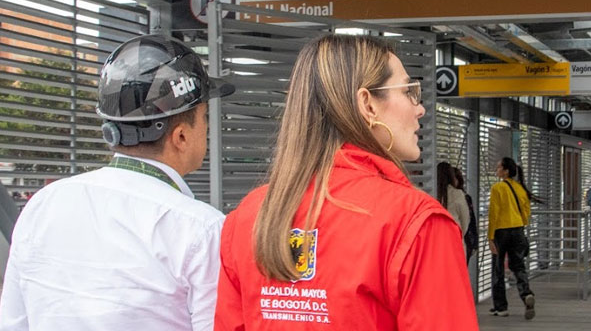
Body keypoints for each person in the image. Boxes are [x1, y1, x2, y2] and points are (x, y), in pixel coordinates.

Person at [213, 35, 477, 330]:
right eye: (408, 91)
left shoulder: (248, 217)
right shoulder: (417, 223)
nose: (420, 109)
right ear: (368, 104)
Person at [0, 35, 235, 330]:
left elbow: (13, 323)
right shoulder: (203, 231)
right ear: (182, 137)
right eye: (203, 118)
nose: (207, 128)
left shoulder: (45, 204)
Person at [487, 157, 536, 320]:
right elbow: (527, 210)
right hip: (518, 230)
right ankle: (526, 294)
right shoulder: (520, 188)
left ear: (506, 171)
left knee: (498, 269)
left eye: (499, 167)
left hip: (501, 232)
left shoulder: (498, 188)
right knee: (518, 266)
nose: (496, 169)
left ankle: (501, 307)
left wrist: (490, 237)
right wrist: (521, 224)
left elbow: (494, 213)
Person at [437, 162, 472, 251]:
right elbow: (465, 221)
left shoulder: (429, 193)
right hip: (455, 242)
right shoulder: (457, 194)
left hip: (436, 244)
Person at [453, 166, 480, 260]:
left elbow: (470, 220)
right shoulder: (461, 197)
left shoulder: (464, 197)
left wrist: (474, 242)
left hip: (465, 240)